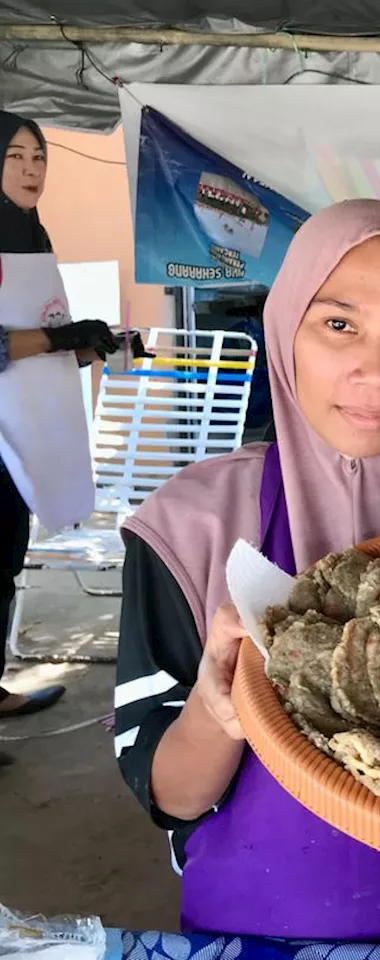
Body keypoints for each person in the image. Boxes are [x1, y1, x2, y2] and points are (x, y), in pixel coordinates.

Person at [114, 200, 380, 946]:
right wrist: (218, 712)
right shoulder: (187, 528)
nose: (377, 371)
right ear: (285, 325)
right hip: (248, 934)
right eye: (339, 324)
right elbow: (169, 796)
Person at [0, 110, 122, 734]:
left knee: (4, 559)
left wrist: (91, 346)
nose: (30, 169)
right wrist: (55, 337)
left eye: (39, 157)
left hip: (27, 431)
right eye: (16, 156)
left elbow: (43, 356)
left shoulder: (34, 237)